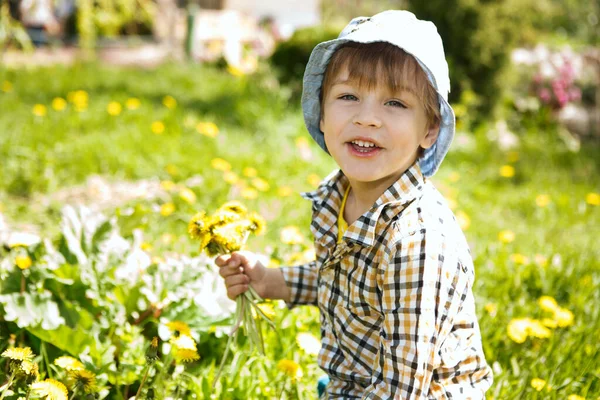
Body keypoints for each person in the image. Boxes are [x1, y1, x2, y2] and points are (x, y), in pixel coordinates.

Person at [216, 10, 493, 399]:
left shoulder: (417, 241)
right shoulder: (338, 195)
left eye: (394, 103)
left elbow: (402, 389)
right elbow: (349, 286)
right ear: (322, 113)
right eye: (348, 96)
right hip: (357, 382)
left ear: (430, 129)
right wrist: (269, 280)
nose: (367, 119)